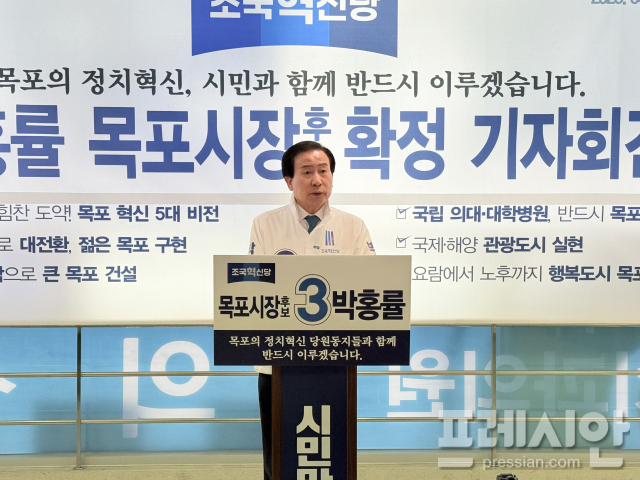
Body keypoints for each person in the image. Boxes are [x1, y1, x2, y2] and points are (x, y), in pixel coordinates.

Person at [249, 140, 375, 480]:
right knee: (279, 452)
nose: (317, 180)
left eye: (323, 171)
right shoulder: (266, 224)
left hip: (335, 356)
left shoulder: (353, 226)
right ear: (289, 180)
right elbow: (255, 286)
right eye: (307, 172)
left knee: (331, 449)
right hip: (279, 356)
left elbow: (371, 285)